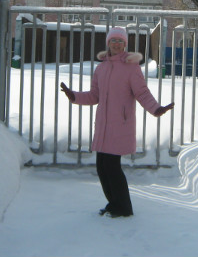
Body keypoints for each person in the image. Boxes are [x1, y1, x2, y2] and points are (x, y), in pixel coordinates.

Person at [60, 26, 174, 218]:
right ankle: (114, 203)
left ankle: (124, 208)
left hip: (120, 125)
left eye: (120, 41)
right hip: (103, 125)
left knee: (112, 167)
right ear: (108, 43)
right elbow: (94, 95)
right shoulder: (101, 68)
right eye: (113, 40)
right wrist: (74, 96)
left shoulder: (131, 67)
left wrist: (156, 108)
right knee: (102, 167)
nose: (117, 44)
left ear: (125, 44)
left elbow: (142, 93)